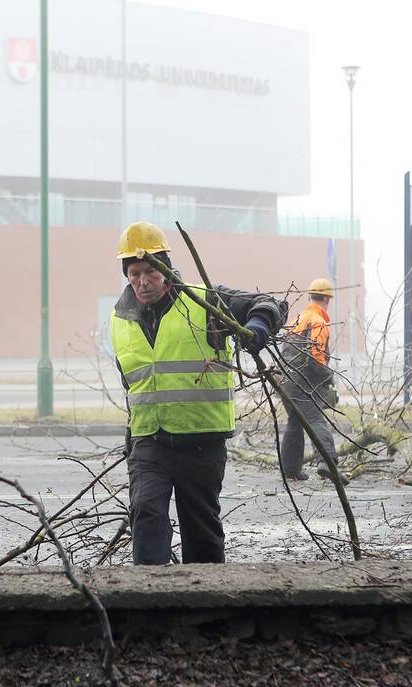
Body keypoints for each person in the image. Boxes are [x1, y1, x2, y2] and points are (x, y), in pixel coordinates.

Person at [110, 221, 287, 565]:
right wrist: (133, 436)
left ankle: (206, 605)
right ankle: (149, 600)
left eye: (150, 271)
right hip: (149, 442)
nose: (143, 281)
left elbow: (269, 303)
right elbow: (132, 383)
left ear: (165, 268)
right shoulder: (120, 319)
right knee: (145, 514)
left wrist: (256, 328)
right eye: (134, 273)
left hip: (201, 442)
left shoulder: (204, 301)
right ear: (126, 274)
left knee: (201, 530)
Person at [278, 278, 344, 484]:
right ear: (327, 299)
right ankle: (328, 464)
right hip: (301, 384)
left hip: (285, 382)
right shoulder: (318, 321)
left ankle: (290, 470)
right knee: (315, 420)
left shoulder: (298, 317)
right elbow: (315, 357)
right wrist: (328, 376)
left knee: (295, 423)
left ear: (310, 297)